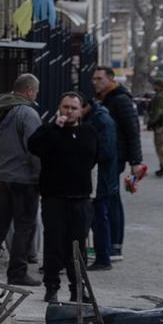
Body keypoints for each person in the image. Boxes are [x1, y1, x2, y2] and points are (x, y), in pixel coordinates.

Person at [28, 91, 100, 305]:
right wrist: (55, 128)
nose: (69, 111)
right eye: (65, 107)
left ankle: (78, 288)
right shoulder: (49, 130)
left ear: (81, 111)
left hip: (81, 199)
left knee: (78, 247)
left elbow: (94, 158)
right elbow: (35, 147)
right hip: (54, 198)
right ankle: (51, 287)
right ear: (59, 108)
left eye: (73, 108)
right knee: (54, 244)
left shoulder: (89, 132)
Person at [0, 73, 43, 286]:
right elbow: (35, 150)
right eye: (36, 91)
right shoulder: (28, 114)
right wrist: (40, 175)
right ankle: (17, 272)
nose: (36, 95)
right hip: (25, 179)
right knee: (24, 226)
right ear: (29, 91)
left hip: (2, 177)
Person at [90, 68, 145, 260]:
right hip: (109, 155)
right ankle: (112, 244)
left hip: (116, 156)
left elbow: (132, 130)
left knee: (110, 198)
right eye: (93, 78)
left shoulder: (120, 100)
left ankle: (114, 245)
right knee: (111, 197)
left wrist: (136, 162)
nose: (95, 82)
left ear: (110, 79)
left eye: (99, 78)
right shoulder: (103, 99)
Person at [88, 93, 120, 271]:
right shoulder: (99, 118)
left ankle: (103, 258)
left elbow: (105, 152)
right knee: (98, 218)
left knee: (99, 218)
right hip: (102, 178)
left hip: (100, 179)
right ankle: (102, 256)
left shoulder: (100, 120)